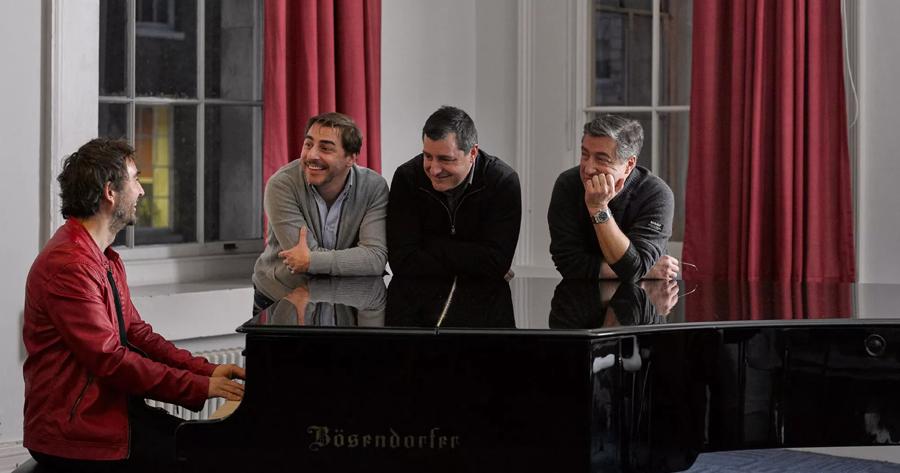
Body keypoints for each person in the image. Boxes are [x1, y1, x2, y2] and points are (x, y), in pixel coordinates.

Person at [22, 138, 245, 472]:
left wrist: (205, 370)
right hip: (77, 434)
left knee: (207, 449)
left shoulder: (104, 258)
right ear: (110, 192)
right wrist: (199, 386)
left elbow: (138, 334)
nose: (141, 191)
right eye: (135, 179)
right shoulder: (69, 265)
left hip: (109, 415)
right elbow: (111, 360)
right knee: (203, 456)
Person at [253, 112, 389, 314]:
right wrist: (354, 260)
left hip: (343, 301)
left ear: (351, 158)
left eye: (325, 148)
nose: (311, 155)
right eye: (308, 144)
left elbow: (375, 259)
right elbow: (298, 259)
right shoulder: (281, 185)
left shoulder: (374, 187)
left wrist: (312, 260)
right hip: (281, 297)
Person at [387, 106, 521, 278]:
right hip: (419, 290)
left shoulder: (502, 182)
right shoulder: (407, 178)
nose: (434, 170)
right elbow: (401, 261)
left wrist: (430, 245)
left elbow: (496, 263)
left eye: (445, 159)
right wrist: (474, 253)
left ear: (472, 153)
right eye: (427, 156)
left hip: (482, 292)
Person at [548, 114, 679, 282]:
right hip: (581, 295)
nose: (588, 169)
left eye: (602, 159)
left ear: (629, 165)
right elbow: (568, 264)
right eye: (585, 155)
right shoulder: (568, 185)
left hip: (646, 295)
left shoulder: (656, 194)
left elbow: (633, 268)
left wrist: (599, 208)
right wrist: (645, 271)